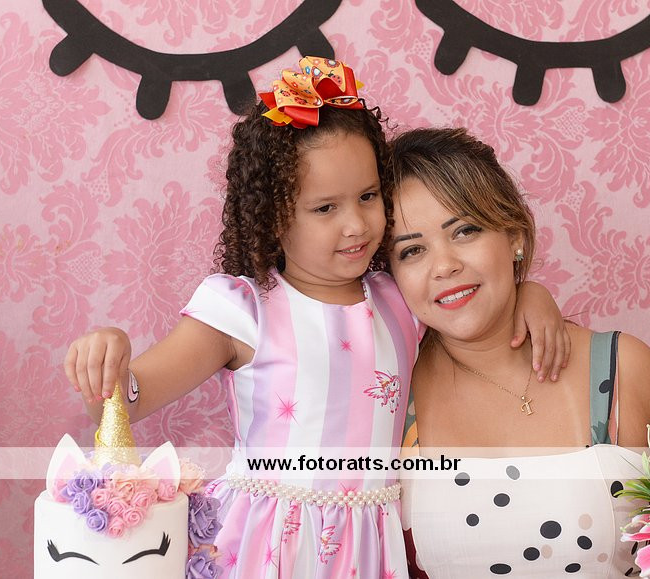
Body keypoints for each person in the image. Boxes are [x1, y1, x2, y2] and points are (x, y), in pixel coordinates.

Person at [64, 58, 568, 578]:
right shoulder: (243, 310)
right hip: (262, 547)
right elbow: (125, 403)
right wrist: (107, 354)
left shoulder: (397, 300)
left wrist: (530, 294)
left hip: (367, 549)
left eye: (368, 197)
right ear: (273, 216)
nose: (356, 225)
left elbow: (472, 311)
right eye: (325, 208)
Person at [388, 127, 650, 578]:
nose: (444, 265)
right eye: (412, 251)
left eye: (465, 230)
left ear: (514, 234)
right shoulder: (389, 397)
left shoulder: (623, 368)